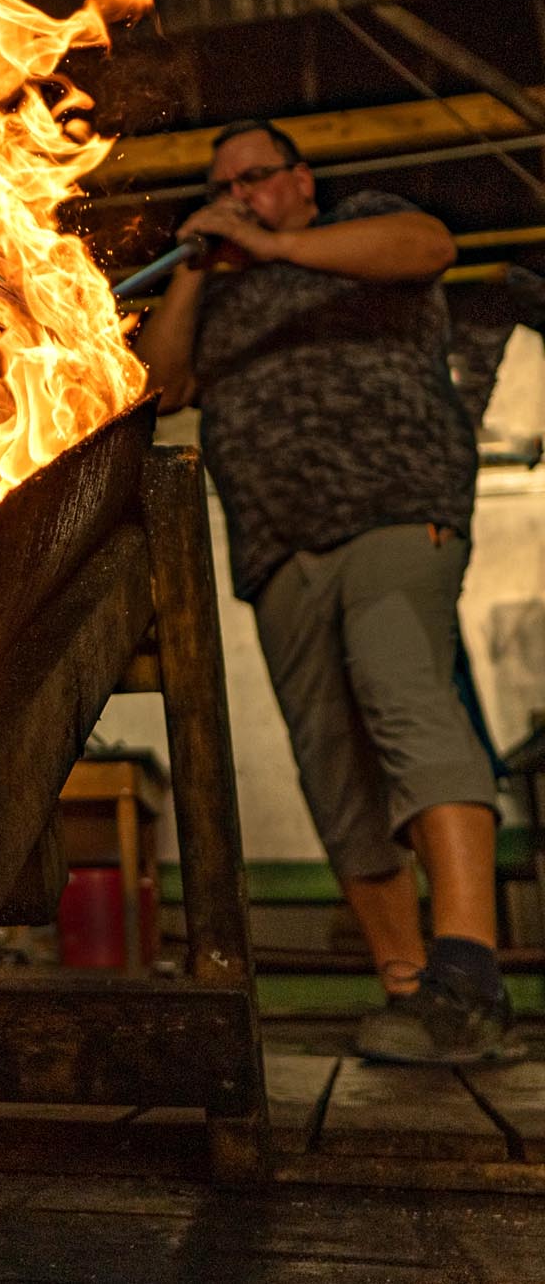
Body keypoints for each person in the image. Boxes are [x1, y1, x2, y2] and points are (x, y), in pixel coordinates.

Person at [138, 118, 519, 1064]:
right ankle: (412, 990)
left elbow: (431, 245)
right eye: (223, 189)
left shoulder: (364, 228)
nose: (238, 198)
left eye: (255, 179)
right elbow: (157, 381)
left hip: (391, 513)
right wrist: (195, 263)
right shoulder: (217, 297)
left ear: (302, 182)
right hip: (278, 554)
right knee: (333, 766)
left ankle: (469, 967)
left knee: (406, 700)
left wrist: (270, 241)